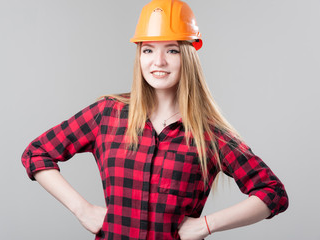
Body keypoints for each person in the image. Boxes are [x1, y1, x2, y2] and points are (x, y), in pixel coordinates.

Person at [21, 0, 288, 239]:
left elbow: (272, 193)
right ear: (139, 56)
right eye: (148, 50)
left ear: (188, 56)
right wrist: (82, 210)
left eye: (171, 50)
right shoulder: (107, 114)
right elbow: (37, 153)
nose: (157, 61)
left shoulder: (210, 134)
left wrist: (206, 224)